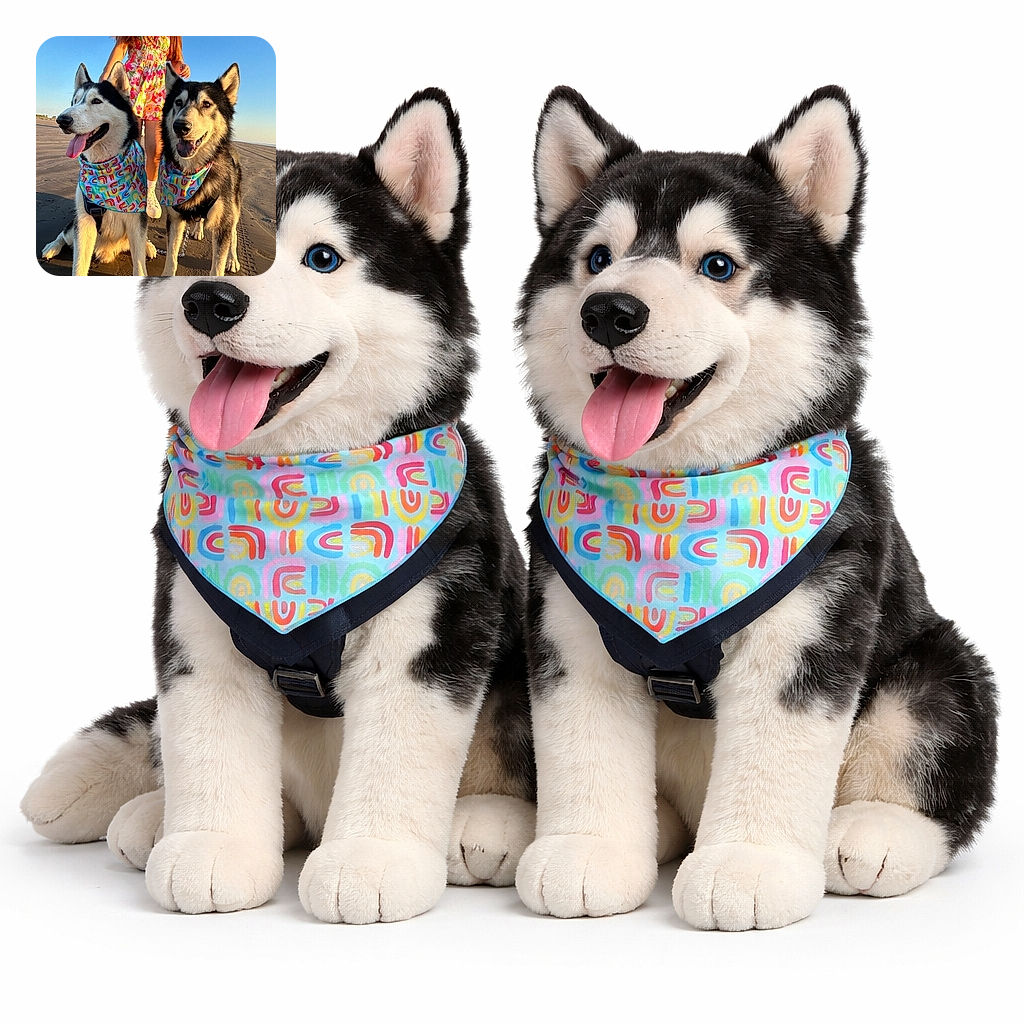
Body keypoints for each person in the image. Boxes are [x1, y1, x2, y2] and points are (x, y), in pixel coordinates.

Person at [101, 37, 190, 219]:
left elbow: (174, 59)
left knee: (155, 148)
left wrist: (181, 66)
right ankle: (125, 188)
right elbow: (121, 47)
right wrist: (106, 73)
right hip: (132, 78)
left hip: (158, 86)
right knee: (130, 143)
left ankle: (149, 193)